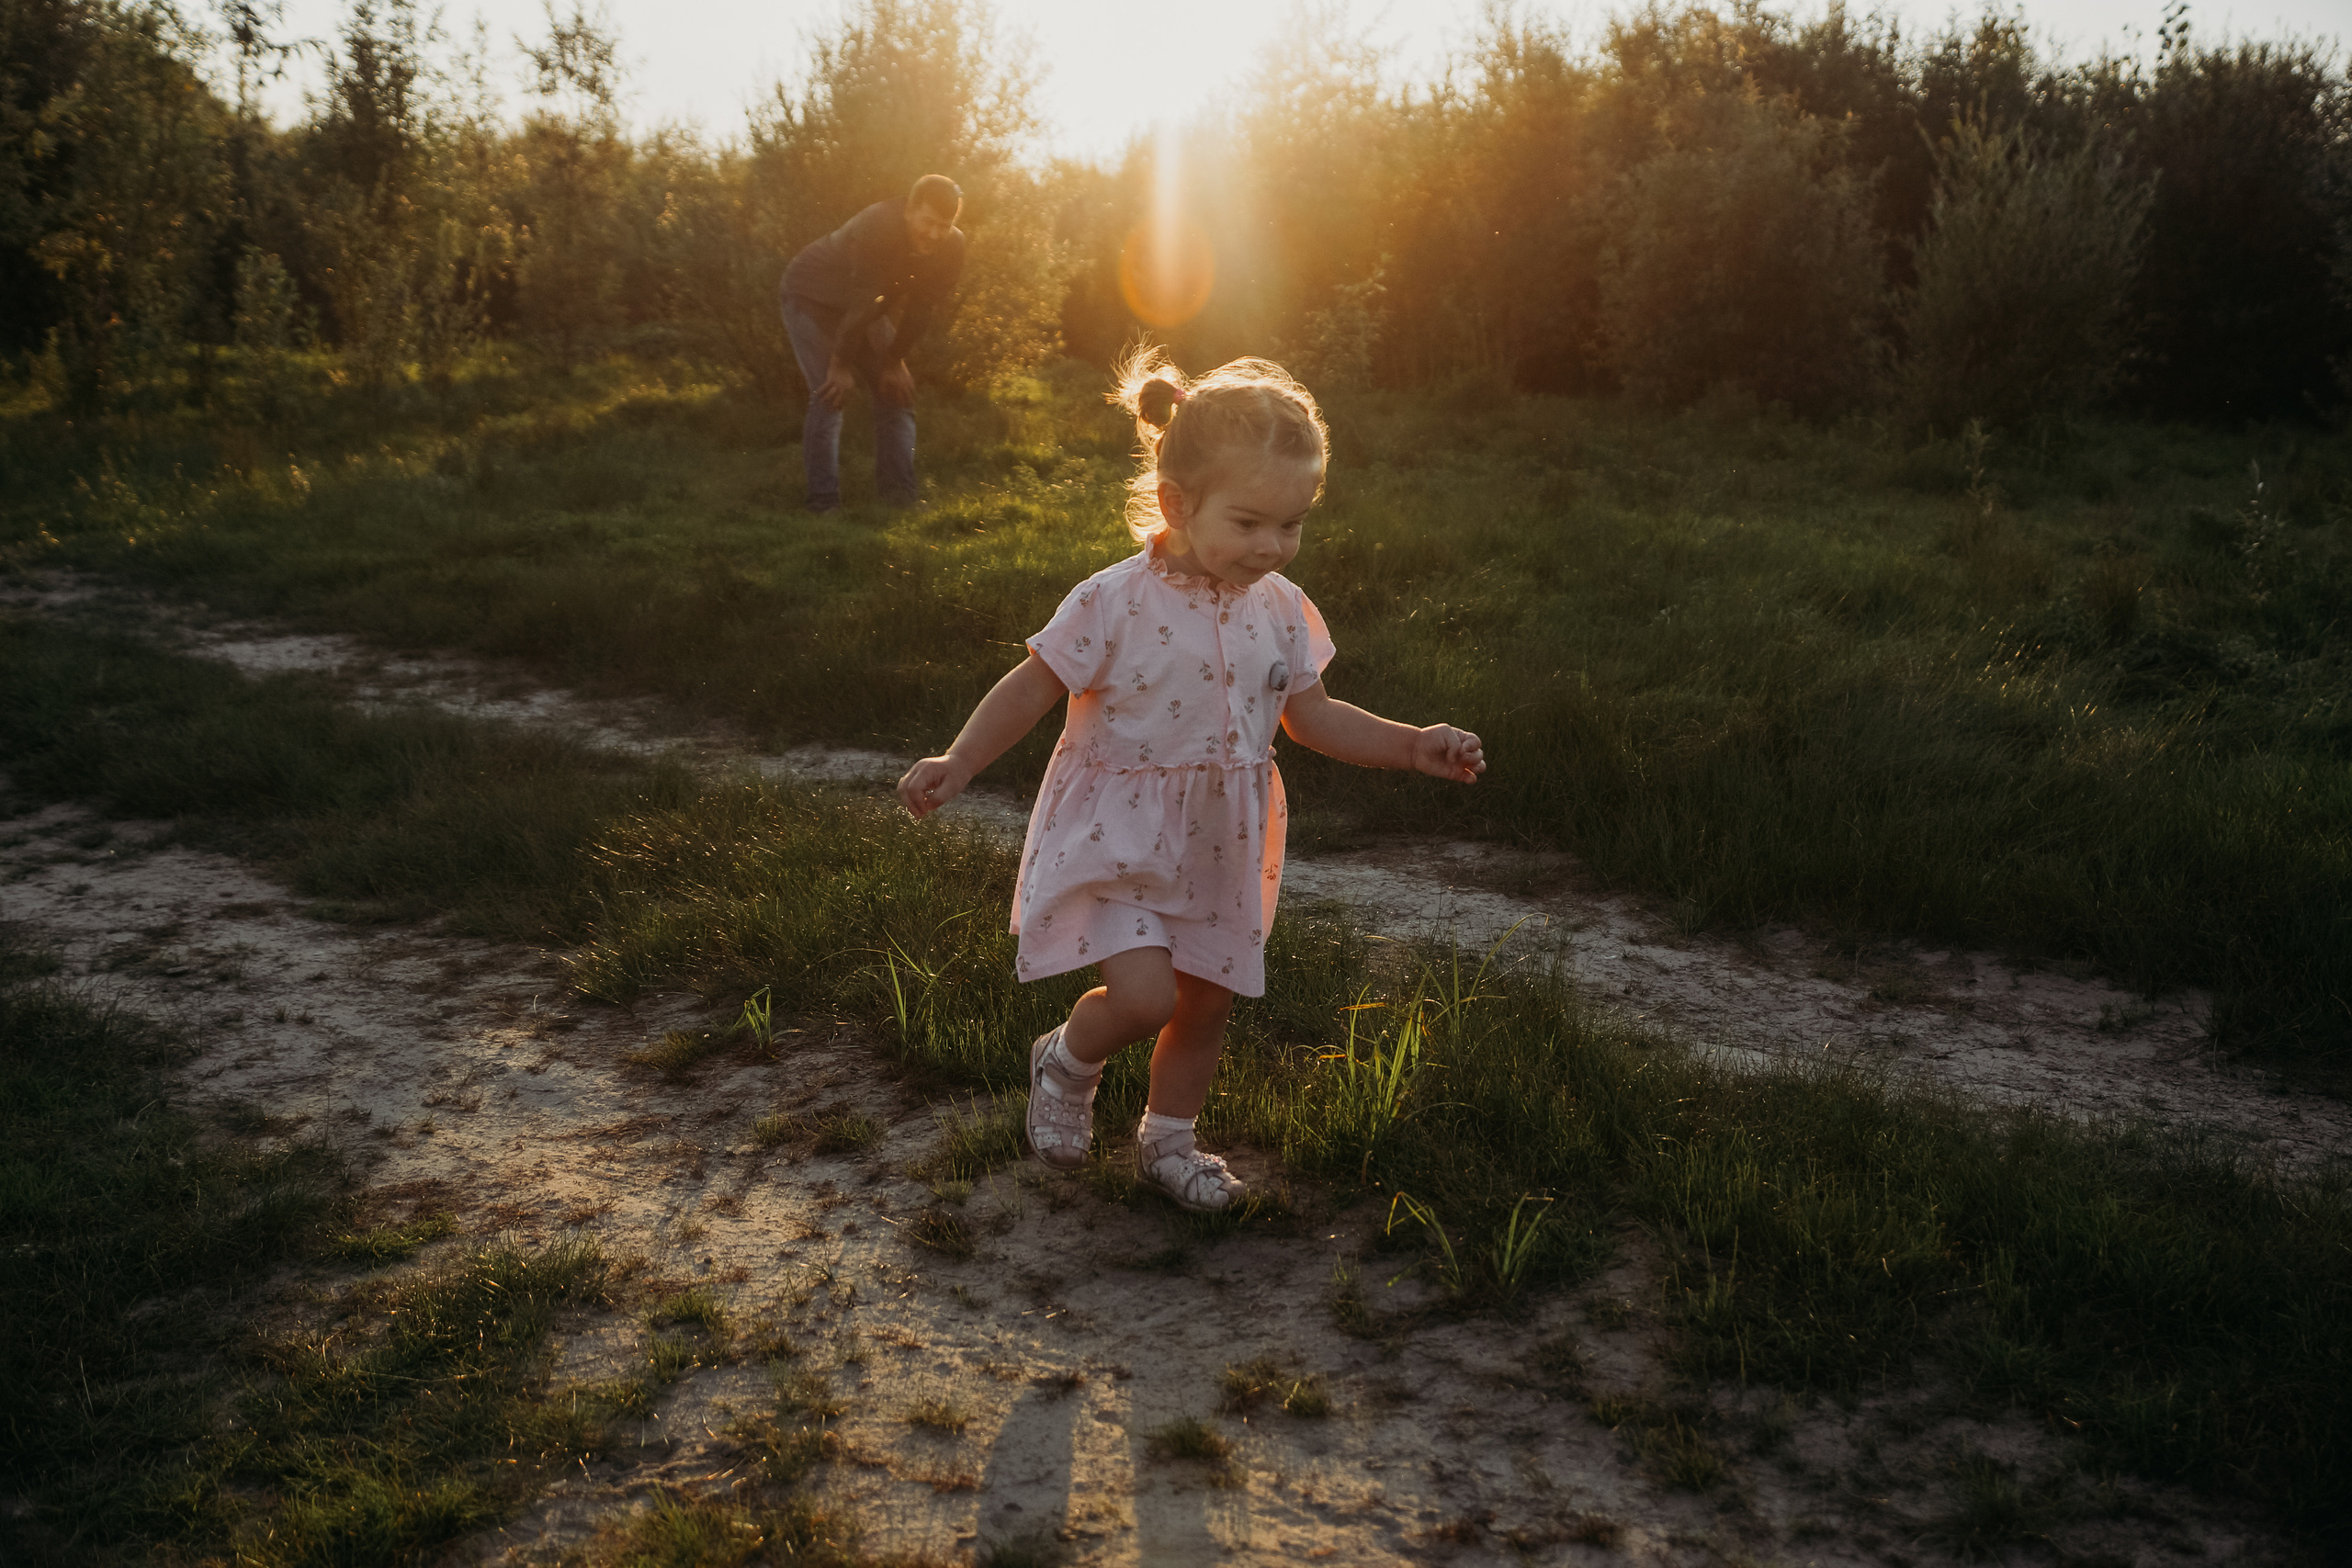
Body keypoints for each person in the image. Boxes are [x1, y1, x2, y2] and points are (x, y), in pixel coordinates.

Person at [894, 348, 1487, 1212]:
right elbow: (1031, 685)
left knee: (1206, 1000)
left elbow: (1309, 714)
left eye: (1292, 524)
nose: (1274, 546)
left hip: (1223, 835)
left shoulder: (1281, 608)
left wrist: (1412, 743)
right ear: (1178, 503)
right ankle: (1067, 1058)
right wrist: (958, 760)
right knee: (1145, 994)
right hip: (1120, 831)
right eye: (1250, 523)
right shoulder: (1113, 600)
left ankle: (1170, 1142)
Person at [779, 174, 967, 512]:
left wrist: (894, 362)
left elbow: (921, 309)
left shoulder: (952, 245)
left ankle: (898, 499)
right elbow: (863, 298)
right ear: (909, 210)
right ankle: (823, 504)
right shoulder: (879, 224)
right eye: (928, 222)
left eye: (944, 225)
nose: (934, 234)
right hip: (810, 295)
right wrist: (839, 364)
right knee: (830, 393)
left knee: (897, 393)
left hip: (864, 308)